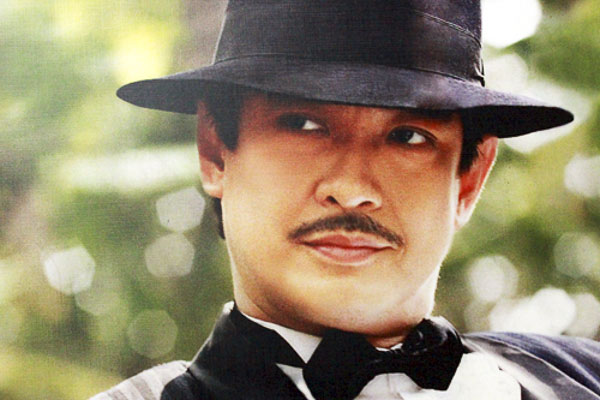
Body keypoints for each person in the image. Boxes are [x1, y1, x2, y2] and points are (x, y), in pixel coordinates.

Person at [92, 1, 600, 399]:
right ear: (214, 152)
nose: (353, 188)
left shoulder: (580, 377)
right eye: (303, 124)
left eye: (408, 137)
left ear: (469, 179)